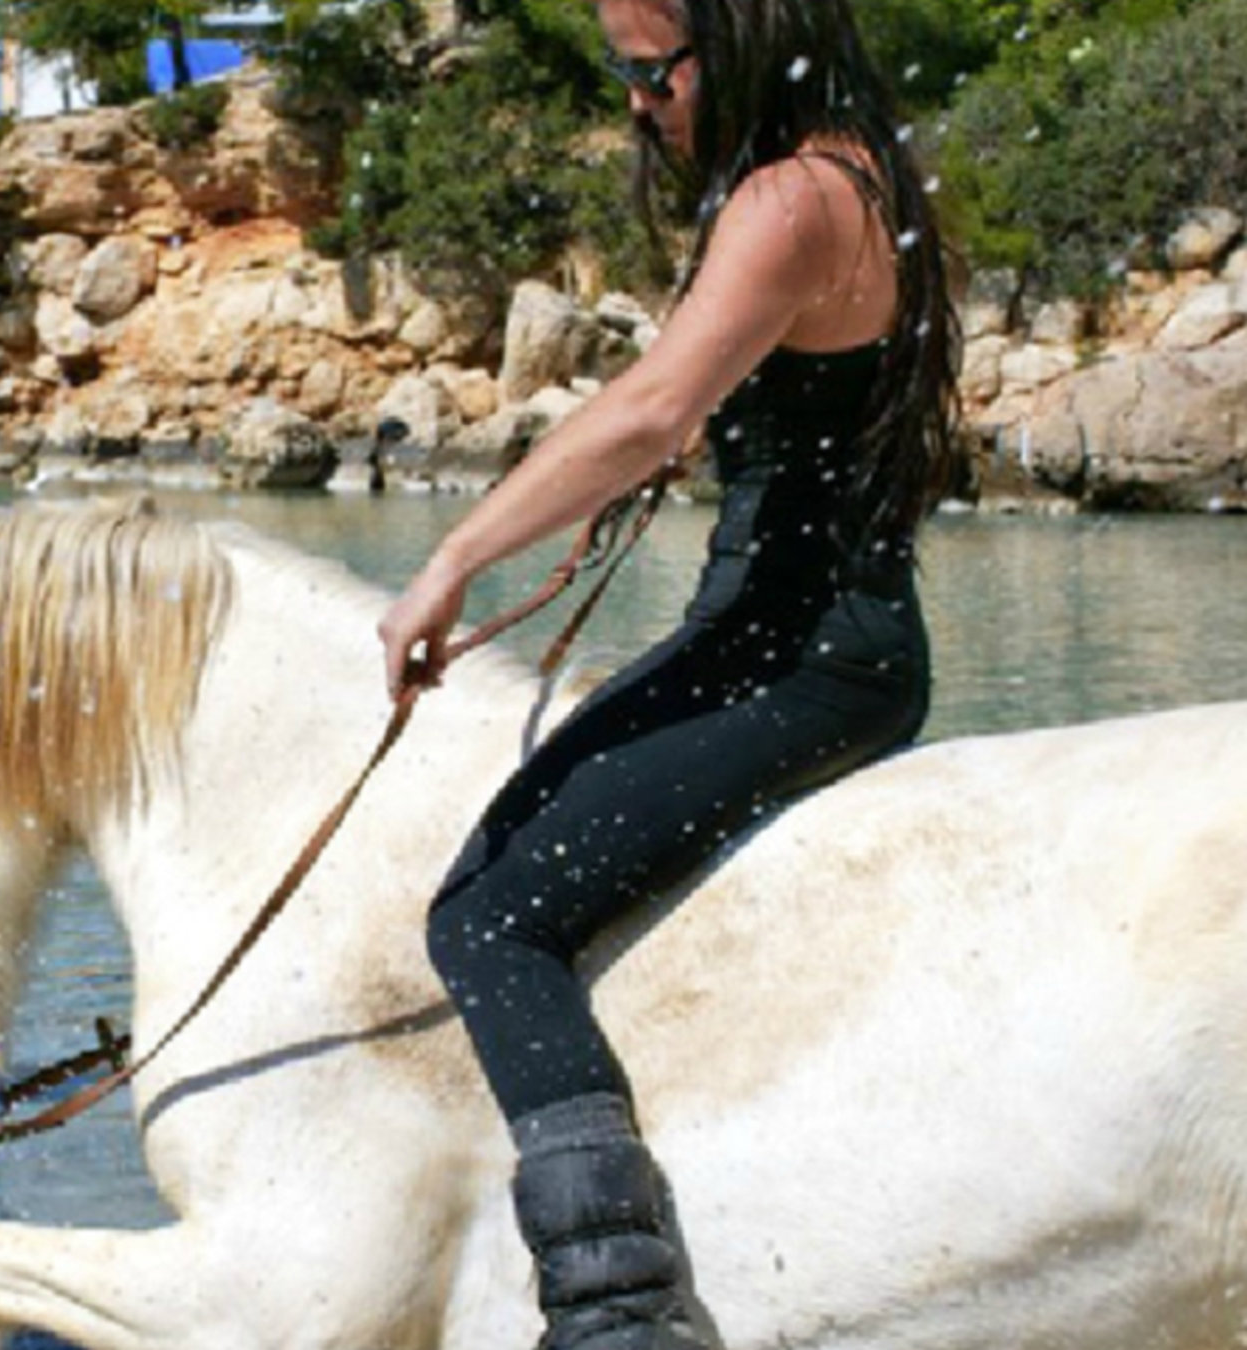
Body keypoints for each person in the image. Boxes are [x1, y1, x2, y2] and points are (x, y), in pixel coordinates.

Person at [375, 0, 961, 1344]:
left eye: (655, 72)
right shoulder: (862, 170)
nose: (640, 103)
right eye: (622, 74)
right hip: (819, 642)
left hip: (802, 658)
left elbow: (650, 408)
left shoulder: (789, 197)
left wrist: (450, 561)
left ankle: (619, 1312)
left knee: (487, 921)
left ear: (745, 35)